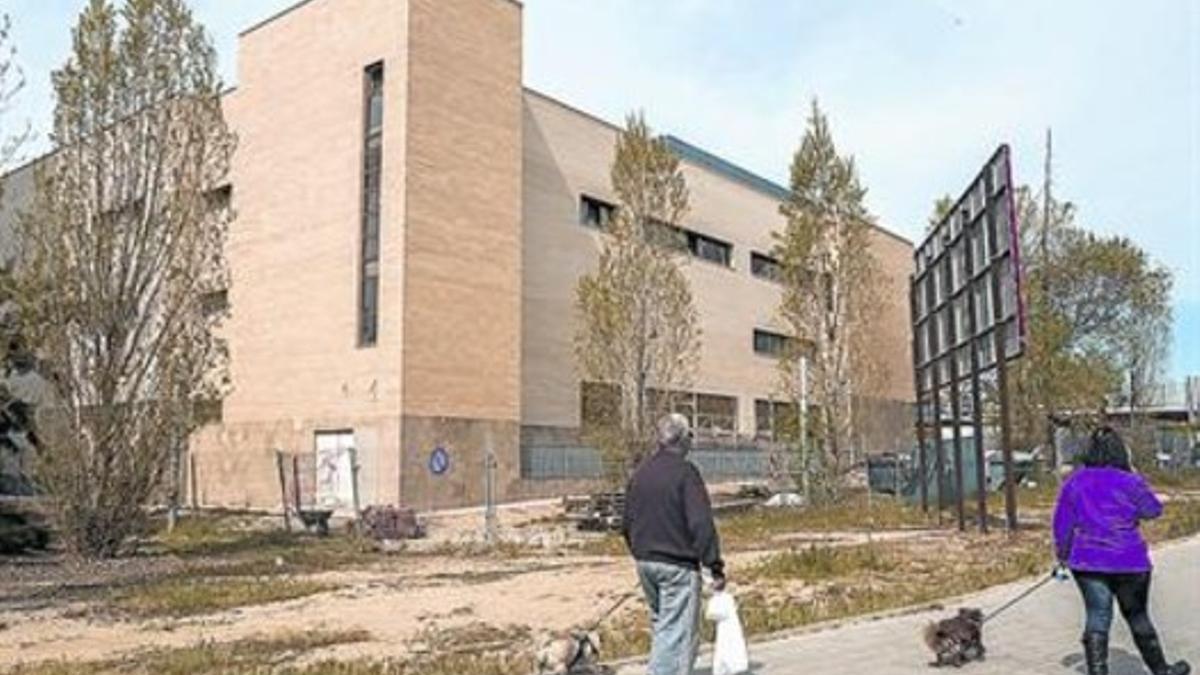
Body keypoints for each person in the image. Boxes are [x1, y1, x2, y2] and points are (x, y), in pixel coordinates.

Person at [1052, 426, 1191, 675]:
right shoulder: (1130, 481)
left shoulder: (1075, 482)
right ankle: (1161, 670)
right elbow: (1153, 510)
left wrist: (1062, 554)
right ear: (1120, 451)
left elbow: (1062, 523)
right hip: (1129, 560)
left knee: (1097, 615)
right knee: (1137, 616)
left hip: (1088, 560)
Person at [622, 413, 726, 675]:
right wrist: (714, 566)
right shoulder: (685, 473)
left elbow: (626, 521)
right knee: (678, 636)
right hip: (678, 567)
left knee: (664, 627)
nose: (692, 441)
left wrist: (641, 553)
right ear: (682, 439)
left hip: (646, 563)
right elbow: (701, 523)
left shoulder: (641, 472)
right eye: (691, 435)